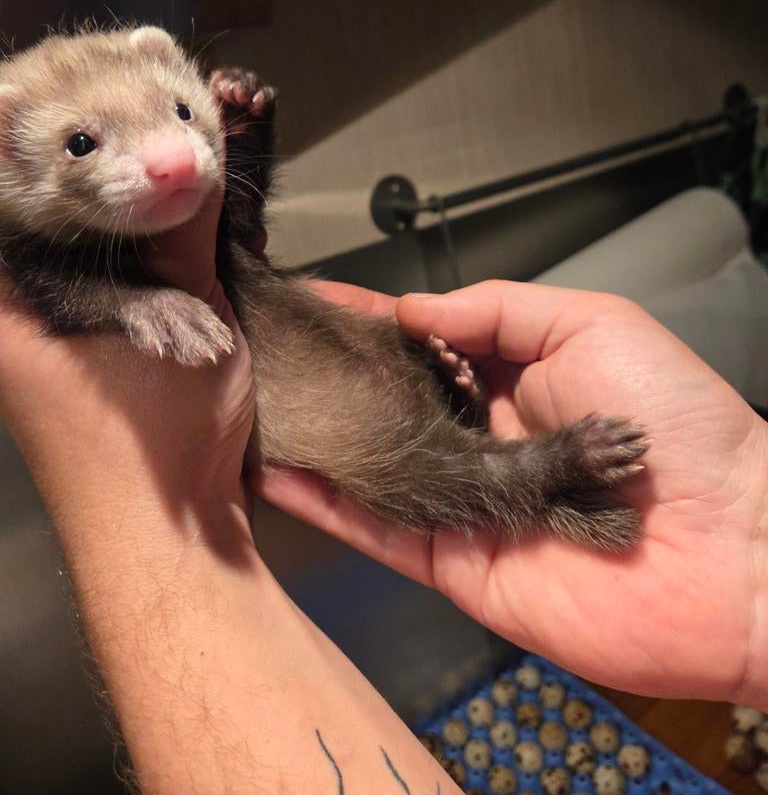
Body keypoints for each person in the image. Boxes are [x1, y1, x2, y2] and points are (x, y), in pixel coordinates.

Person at [0, 190, 765, 793]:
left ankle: (510, 444)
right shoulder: (69, 263)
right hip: (377, 443)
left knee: (448, 452)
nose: (167, 157)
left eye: (177, 111)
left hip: (364, 364)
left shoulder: (172, 230)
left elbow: (230, 236)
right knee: (447, 480)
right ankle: (549, 470)